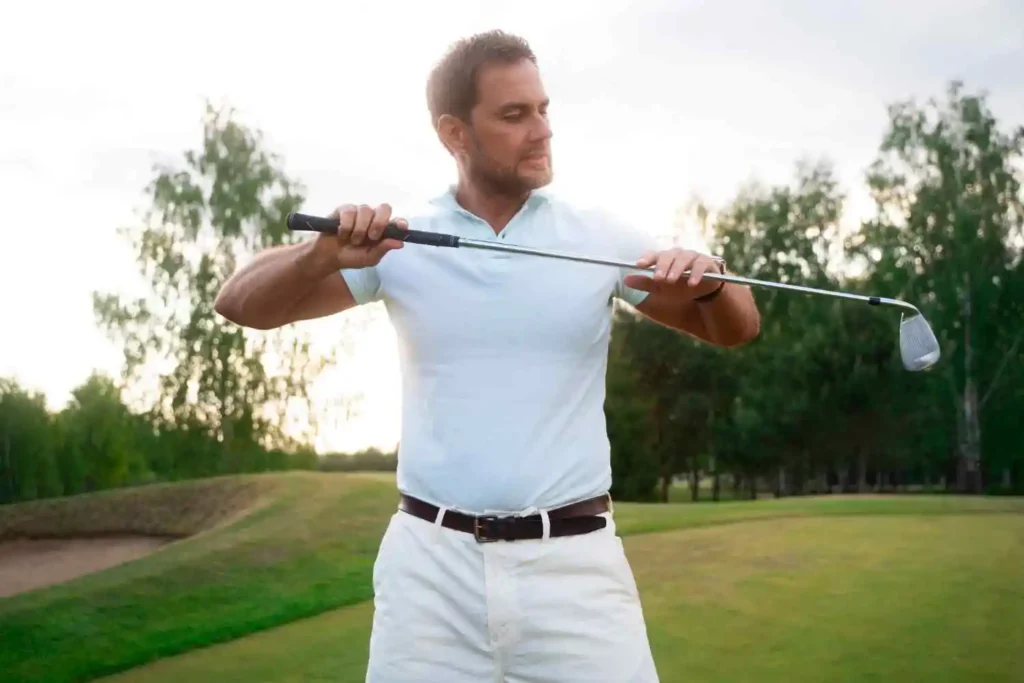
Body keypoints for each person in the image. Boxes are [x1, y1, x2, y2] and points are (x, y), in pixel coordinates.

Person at [215, 29, 760, 683]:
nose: (542, 130)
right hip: (430, 578)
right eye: (514, 114)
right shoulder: (400, 241)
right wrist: (319, 253)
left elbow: (734, 328)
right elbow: (240, 303)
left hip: (575, 572)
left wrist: (713, 280)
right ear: (454, 133)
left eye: (544, 109)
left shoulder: (596, 236)